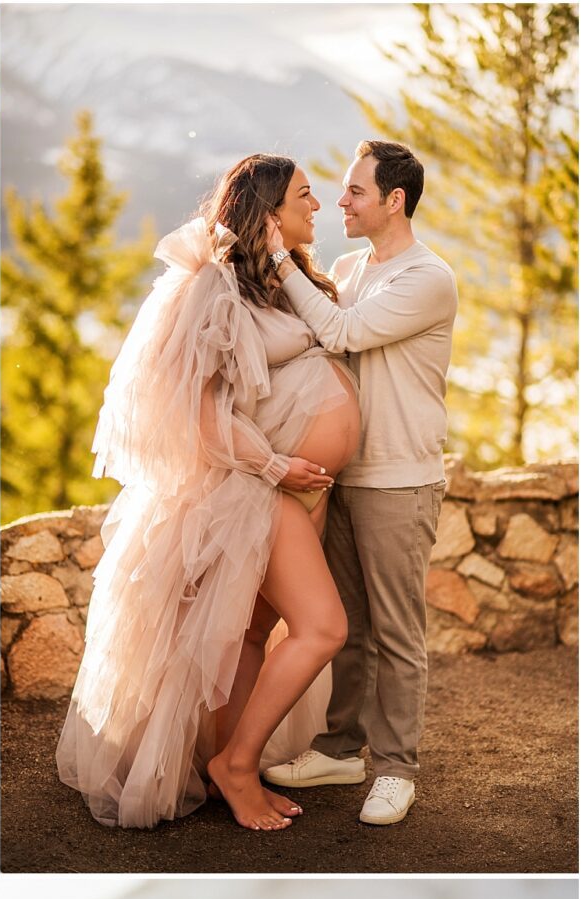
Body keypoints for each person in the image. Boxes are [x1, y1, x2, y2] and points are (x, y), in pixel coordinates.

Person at [56, 156, 362, 834]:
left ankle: (231, 762)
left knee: (252, 632)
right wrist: (277, 465)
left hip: (297, 489)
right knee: (322, 629)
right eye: (305, 197)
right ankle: (236, 765)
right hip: (256, 487)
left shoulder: (288, 283)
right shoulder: (213, 288)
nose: (318, 207)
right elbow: (194, 411)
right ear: (269, 211)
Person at [263, 139, 457, 827]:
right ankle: (342, 748)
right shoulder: (350, 265)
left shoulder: (427, 278)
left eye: (354, 192)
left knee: (399, 632)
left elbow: (339, 333)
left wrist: (279, 258)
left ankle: (397, 768)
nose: (339, 202)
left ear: (393, 201)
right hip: (341, 478)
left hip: (400, 481)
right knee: (344, 625)